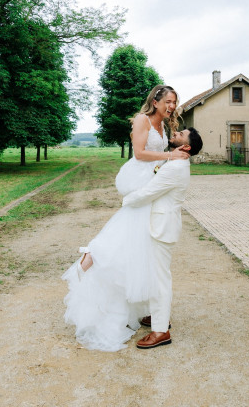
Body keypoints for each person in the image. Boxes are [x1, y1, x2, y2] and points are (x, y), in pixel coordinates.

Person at [62, 85, 188, 352]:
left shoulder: (165, 126)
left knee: (140, 245)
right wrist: (170, 155)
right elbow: (140, 153)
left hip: (153, 181)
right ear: (155, 101)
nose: (171, 106)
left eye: (174, 102)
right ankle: (92, 256)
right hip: (140, 179)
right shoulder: (142, 120)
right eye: (168, 101)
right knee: (124, 231)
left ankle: (147, 308)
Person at [122, 126, 203, 349]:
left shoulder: (176, 167)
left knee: (160, 278)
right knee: (154, 274)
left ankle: (160, 331)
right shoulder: (174, 162)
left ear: (186, 147)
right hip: (160, 224)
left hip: (161, 227)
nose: (175, 133)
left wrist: (125, 201)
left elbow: (149, 193)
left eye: (180, 135)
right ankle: (158, 315)